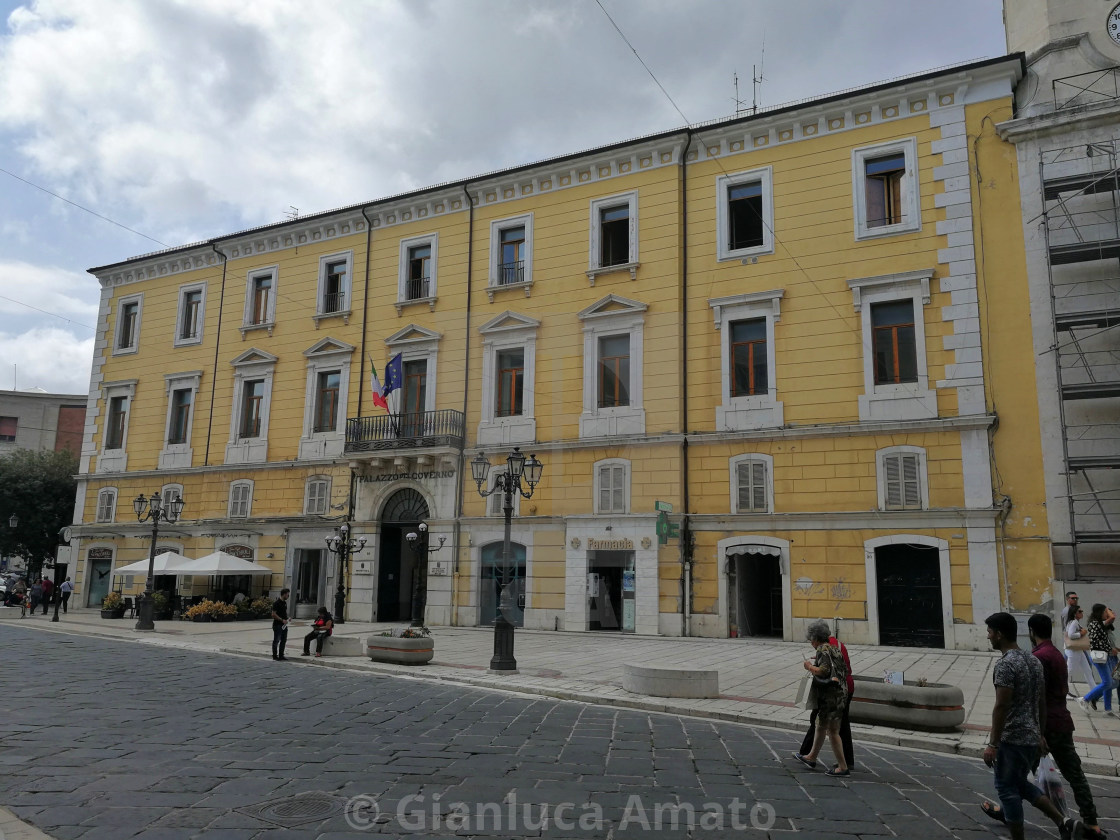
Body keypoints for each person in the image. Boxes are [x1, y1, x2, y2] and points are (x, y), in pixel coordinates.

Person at [980, 612, 1083, 840]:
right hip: (1030, 737)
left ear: (999, 634)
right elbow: (1041, 702)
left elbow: (1001, 706)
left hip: (1012, 738)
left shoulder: (1006, 665)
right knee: (1020, 785)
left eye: (989, 632)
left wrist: (993, 744)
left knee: (1007, 790)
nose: (988, 637)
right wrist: (1040, 733)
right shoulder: (1033, 661)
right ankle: (1063, 822)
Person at [1023, 614, 1106, 840]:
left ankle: (1011, 811)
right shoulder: (1056, 654)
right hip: (1062, 721)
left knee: (1017, 773)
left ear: (1031, 631)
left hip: (1046, 724)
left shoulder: (1038, 657)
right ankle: (1092, 822)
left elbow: (1036, 697)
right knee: (1075, 774)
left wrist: (1038, 732)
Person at [792, 620, 850, 777]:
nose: (810, 642)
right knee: (820, 725)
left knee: (832, 731)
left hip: (830, 697)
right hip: (839, 693)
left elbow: (823, 671)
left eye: (811, 638)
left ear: (815, 638)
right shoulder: (833, 648)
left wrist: (809, 666)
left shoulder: (822, 650)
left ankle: (843, 767)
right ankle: (811, 757)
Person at [1079, 603, 1118, 715]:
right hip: (1099, 656)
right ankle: (1085, 699)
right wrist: (1107, 609)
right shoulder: (1096, 623)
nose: (1107, 614)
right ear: (1100, 612)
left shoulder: (1099, 624)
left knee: (1111, 683)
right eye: (1105, 612)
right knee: (1107, 682)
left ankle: (1108, 708)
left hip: (1105, 656)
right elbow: (1112, 617)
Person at [1065, 606, 1099, 695]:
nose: (1082, 613)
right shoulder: (1074, 622)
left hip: (1078, 650)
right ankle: (1063, 691)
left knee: (1087, 670)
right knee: (1069, 671)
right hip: (1074, 651)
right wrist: (1081, 633)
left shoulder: (1073, 622)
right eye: (1080, 611)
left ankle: (1095, 691)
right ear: (1074, 613)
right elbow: (1071, 635)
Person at [271, 589, 291, 661]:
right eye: (287, 594)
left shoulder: (284, 603)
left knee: (283, 640)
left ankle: (281, 655)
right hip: (278, 625)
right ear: (284, 594)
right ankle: (274, 655)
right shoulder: (276, 603)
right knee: (276, 640)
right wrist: (282, 620)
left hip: (284, 625)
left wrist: (287, 618)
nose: (288, 596)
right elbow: (273, 614)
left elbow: (284, 613)